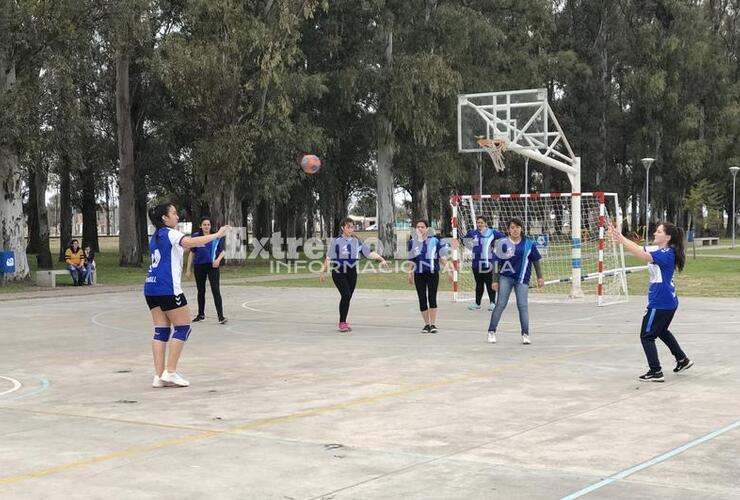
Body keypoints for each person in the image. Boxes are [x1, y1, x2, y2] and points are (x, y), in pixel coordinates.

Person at [145, 203, 230, 388]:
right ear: (164, 219)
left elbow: (180, 249)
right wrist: (217, 235)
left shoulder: (156, 237)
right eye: (174, 213)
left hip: (151, 287)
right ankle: (171, 371)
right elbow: (189, 243)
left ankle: (158, 376)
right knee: (183, 327)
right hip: (167, 288)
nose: (177, 216)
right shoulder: (170, 233)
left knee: (161, 331)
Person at [608, 221, 693, 382]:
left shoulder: (666, 254)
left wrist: (621, 239)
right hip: (669, 301)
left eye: (659, 232)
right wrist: (621, 238)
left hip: (660, 302)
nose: (655, 233)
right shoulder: (661, 249)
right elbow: (640, 249)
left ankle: (656, 371)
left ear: (667, 237)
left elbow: (643, 256)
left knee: (646, 336)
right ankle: (682, 359)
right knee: (661, 331)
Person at [320, 217, 389, 332]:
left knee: (347, 297)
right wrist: (322, 272)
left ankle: (344, 320)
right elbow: (328, 258)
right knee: (346, 295)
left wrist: (381, 259)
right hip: (338, 271)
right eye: (348, 227)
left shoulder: (356, 241)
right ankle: (342, 323)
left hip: (351, 272)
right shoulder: (336, 241)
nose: (351, 229)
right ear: (343, 228)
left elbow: (369, 253)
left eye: (352, 227)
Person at [486, 217, 544, 345]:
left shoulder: (529, 244)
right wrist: (495, 281)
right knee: (500, 304)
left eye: (517, 227)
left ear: (521, 229)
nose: (515, 230)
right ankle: (491, 331)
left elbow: (536, 261)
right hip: (505, 278)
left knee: (522, 306)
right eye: (512, 227)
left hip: (522, 279)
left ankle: (525, 334)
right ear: (508, 230)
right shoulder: (502, 243)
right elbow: (496, 263)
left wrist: (540, 277)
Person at [407, 220, 452, 333]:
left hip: (432, 273)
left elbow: (442, 258)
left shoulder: (435, 241)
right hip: (419, 274)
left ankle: (433, 324)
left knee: (432, 298)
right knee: (422, 299)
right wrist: (409, 273)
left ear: (427, 229)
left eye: (422, 227)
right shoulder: (413, 242)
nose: (420, 229)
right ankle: (426, 324)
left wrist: (449, 271)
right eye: (418, 227)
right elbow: (412, 261)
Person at [186, 216, 227, 324]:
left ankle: (221, 316)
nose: (206, 226)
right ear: (200, 226)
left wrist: (218, 260)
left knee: (215, 290)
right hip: (199, 266)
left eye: (208, 224)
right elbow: (192, 253)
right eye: (204, 224)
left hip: (212, 266)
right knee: (201, 291)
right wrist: (188, 269)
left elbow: (222, 251)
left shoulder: (216, 236)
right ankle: (201, 315)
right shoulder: (196, 236)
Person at [464, 216, 506, 311]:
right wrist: (471, 247)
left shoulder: (492, 232)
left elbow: (503, 238)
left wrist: (496, 247)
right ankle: (477, 303)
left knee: (489, 283)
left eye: (482, 222)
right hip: (476, 263)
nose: (480, 224)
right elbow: (465, 241)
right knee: (479, 284)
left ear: (485, 223)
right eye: (478, 222)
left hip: (488, 263)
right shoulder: (472, 233)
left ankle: (492, 303)